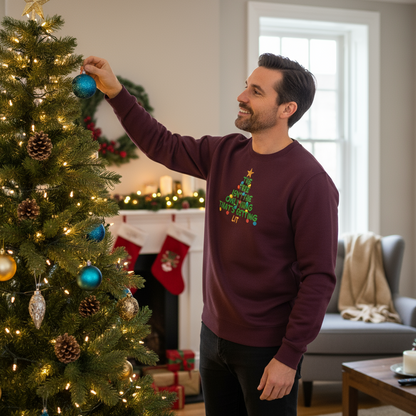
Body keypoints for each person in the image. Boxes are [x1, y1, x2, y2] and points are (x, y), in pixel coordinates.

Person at [83, 53, 338, 416]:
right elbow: (162, 143)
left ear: (287, 109)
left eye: (256, 91)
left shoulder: (311, 182)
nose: (242, 96)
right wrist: (115, 90)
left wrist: (289, 356)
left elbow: (319, 279)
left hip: (267, 349)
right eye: (245, 86)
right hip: (213, 335)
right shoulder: (224, 152)